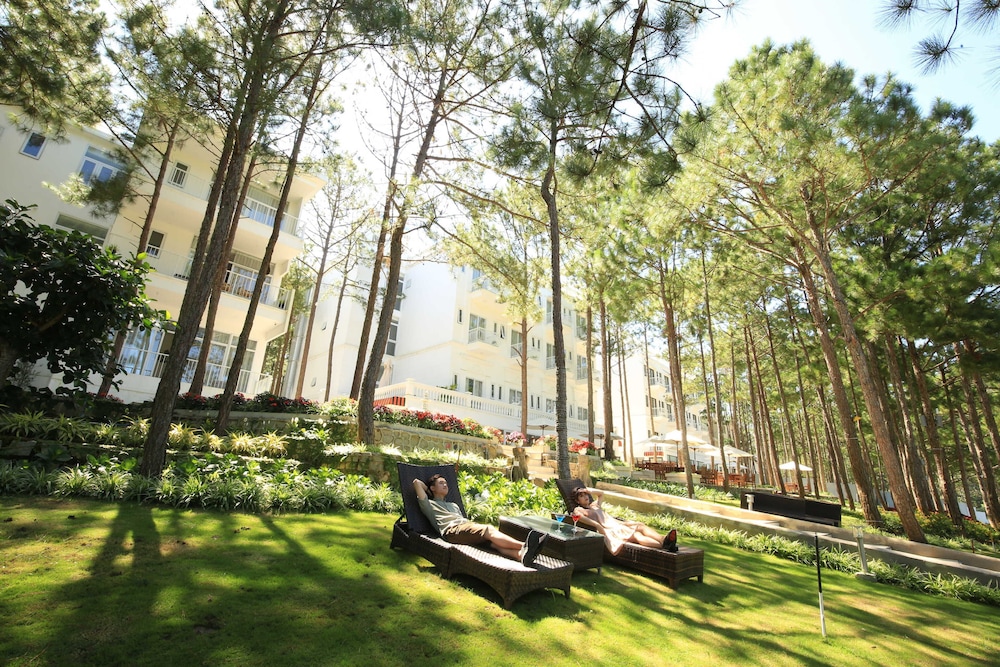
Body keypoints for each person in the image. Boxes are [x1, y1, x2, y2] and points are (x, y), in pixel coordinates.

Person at [413, 474, 547, 567]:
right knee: (488, 529)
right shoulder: (430, 505)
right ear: (432, 488)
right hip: (452, 531)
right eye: (441, 483)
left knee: (494, 544)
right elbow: (416, 483)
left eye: (446, 483)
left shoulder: (453, 505)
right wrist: (429, 491)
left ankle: (521, 555)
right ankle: (526, 546)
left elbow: (465, 524)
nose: (445, 485)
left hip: (465, 527)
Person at [570, 486, 677, 555]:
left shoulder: (594, 505)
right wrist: (597, 525)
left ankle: (663, 540)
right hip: (611, 529)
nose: (585, 497)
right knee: (636, 535)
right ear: (577, 501)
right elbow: (578, 516)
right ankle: (665, 545)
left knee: (640, 525)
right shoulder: (579, 509)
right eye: (581, 496)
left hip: (617, 524)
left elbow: (601, 493)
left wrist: (588, 490)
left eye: (586, 494)